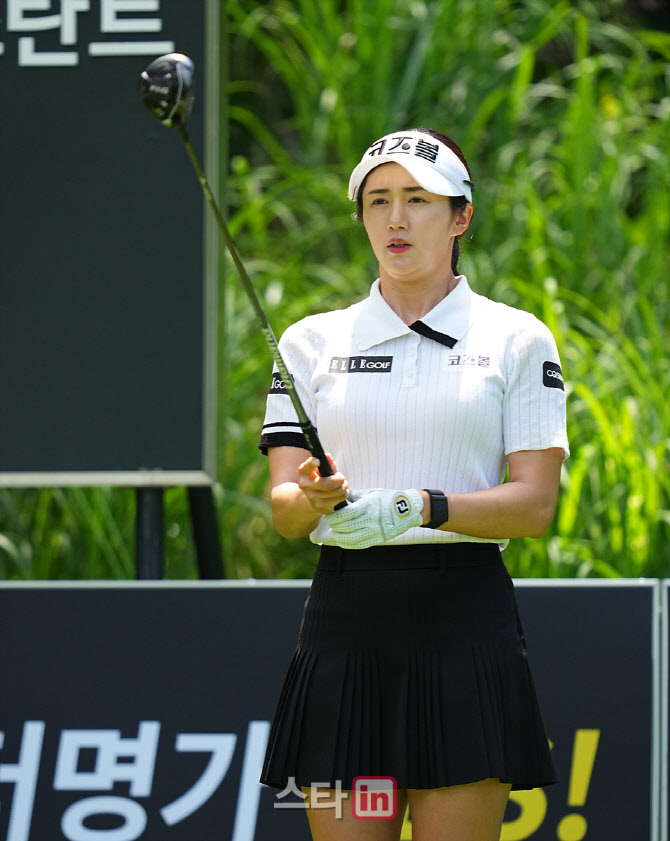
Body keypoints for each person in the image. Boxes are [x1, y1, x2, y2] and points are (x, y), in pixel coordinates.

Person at [258, 128, 569, 841]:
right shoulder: (309, 342)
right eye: (378, 201)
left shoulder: (517, 338)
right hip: (346, 628)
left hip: (464, 624)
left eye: (418, 199)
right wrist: (311, 499)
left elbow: (533, 506)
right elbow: (284, 511)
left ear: (461, 216)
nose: (395, 219)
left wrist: (419, 507)